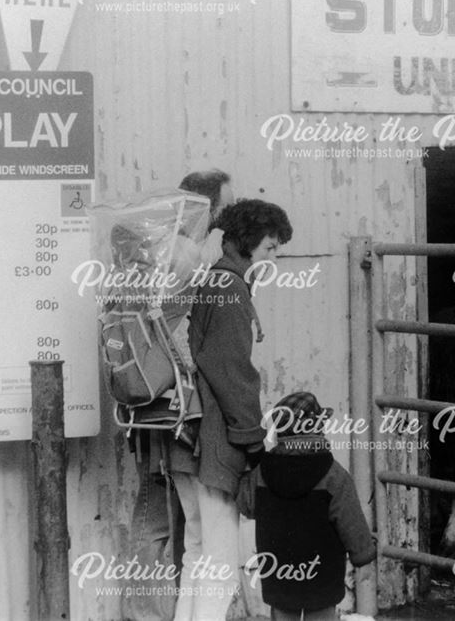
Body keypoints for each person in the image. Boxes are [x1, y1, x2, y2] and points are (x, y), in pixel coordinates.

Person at [172, 198, 293, 621]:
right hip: (215, 444)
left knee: (197, 551)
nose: (273, 258)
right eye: (270, 248)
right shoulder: (230, 289)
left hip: (185, 441)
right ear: (247, 243)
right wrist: (253, 442)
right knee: (220, 562)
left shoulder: (212, 281)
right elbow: (232, 374)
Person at [122, 169, 233, 621]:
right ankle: (146, 614)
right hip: (169, 400)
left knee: (161, 511)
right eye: (225, 206)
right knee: (161, 518)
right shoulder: (185, 255)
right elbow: (182, 333)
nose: (226, 217)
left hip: (144, 396)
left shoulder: (151, 248)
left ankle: (154, 611)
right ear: (208, 207)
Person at [237, 391, 377, 621]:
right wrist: (362, 554)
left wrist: (245, 468)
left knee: (282, 614)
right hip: (322, 574)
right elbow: (351, 521)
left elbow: (246, 505)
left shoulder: (262, 472)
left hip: (278, 573)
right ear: (317, 428)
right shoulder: (334, 475)